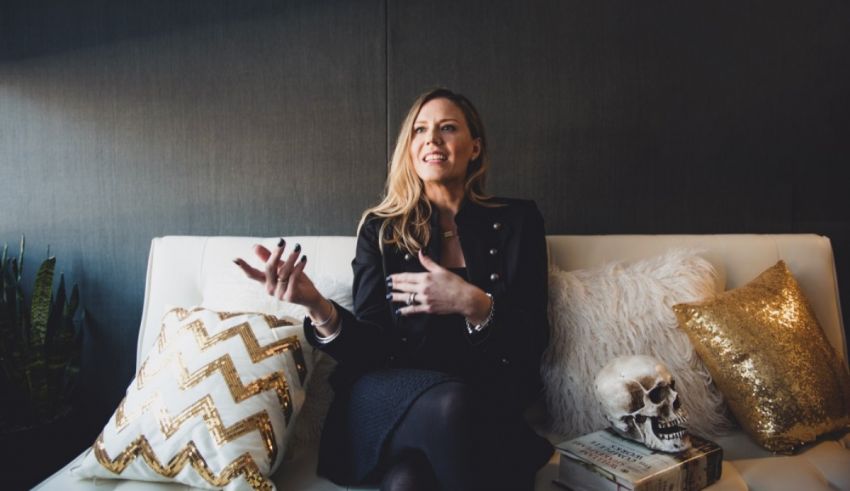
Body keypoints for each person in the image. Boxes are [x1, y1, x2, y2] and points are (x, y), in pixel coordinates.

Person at [235, 88, 553, 490]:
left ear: (474, 148)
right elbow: (370, 346)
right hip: (389, 394)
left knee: (407, 483)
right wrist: (316, 305)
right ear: (410, 148)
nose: (432, 139)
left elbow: (532, 338)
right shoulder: (381, 230)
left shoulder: (518, 222)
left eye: (447, 128)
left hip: (484, 398)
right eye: (420, 130)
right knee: (454, 406)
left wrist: (474, 304)